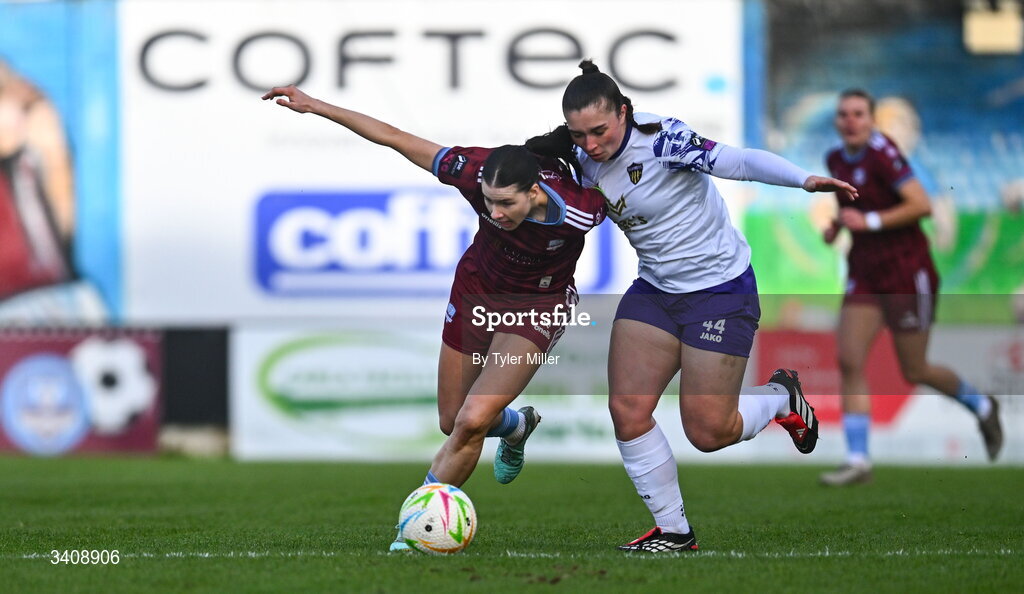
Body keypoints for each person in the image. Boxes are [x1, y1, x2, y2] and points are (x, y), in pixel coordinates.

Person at [261, 84, 607, 551]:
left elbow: (644, 204)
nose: (495, 212)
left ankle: (414, 531)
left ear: (535, 192)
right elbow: (394, 137)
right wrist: (315, 105)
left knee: (470, 421)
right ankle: (516, 426)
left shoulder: (582, 210)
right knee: (453, 419)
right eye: (488, 202)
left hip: (537, 307)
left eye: (507, 204)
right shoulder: (474, 170)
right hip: (476, 293)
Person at [558, 60, 859, 552]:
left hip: (720, 291)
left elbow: (737, 162)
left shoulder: (663, 141)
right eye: (578, 134)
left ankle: (782, 396)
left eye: (599, 130)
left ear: (624, 113)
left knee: (708, 431)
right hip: (655, 291)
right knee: (628, 409)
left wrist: (805, 181)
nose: (590, 145)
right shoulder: (574, 153)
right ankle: (675, 533)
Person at [818, 88, 1003, 486]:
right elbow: (852, 207)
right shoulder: (834, 159)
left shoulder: (885, 155)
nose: (850, 120)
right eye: (843, 114)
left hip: (906, 271)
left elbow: (922, 205)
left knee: (914, 369)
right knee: (849, 357)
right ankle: (858, 460)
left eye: (858, 114)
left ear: (871, 121)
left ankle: (982, 404)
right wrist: (838, 226)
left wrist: (866, 223)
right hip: (865, 271)